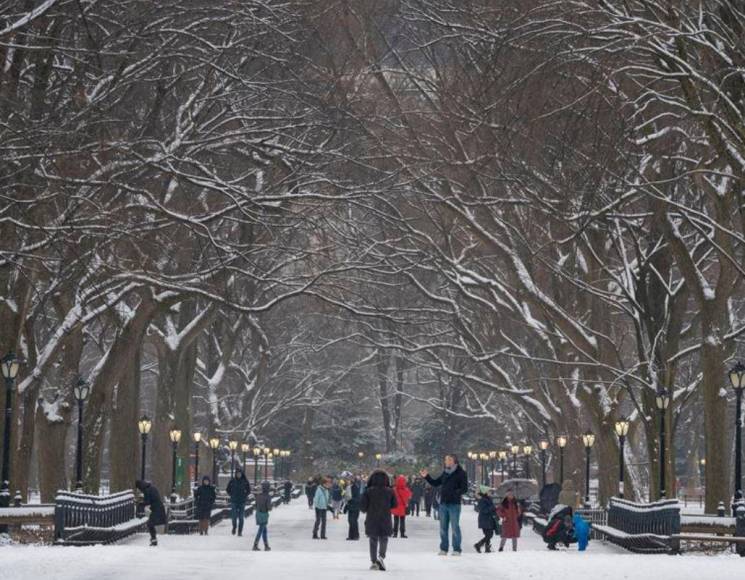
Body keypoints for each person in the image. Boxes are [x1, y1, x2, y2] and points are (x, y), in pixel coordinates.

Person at [420, 454, 468, 555]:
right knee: (443, 528)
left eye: (449, 459)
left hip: (454, 504)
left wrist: (454, 493)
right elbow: (436, 483)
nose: (446, 461)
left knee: (455, 527)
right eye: (446, 459)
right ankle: (444, 548)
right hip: (443, 504)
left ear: (454, 461)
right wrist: (427, 476)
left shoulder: (461, 473)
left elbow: (464, 489)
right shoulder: (445, 473)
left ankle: (456, 549)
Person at [361, 470, 397, 571]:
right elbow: (395, 504)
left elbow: (363, 507)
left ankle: (373, 561)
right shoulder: (390, 491)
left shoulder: (368, 491)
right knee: (384, 538)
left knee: (373, 539)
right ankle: (381, 557)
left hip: (372, 518)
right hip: (385, 517)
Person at [135, 480, 166, 547]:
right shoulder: (152, 487)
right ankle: (153, 539)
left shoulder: (146, 490)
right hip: (158, 507)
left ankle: (154, 540)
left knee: (150, 524)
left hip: (157, 509)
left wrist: (139, 503)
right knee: (150, 523)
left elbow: (147, 501)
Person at [226, 468, 251, 536]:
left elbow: (249, 490)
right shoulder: (232, 481)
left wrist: (245, 495)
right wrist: (231, 494)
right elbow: (227, 489)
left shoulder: (245, 481)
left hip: (242, 501)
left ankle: (240, 531)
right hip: (234, 501)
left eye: (240, 473)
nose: (238, 475)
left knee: (241, 517)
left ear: (241, 474)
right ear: (236, 474)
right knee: (234, 516)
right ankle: (234, 527)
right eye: (237, 473)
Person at [474, 486, 498, 553]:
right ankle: (478, 545)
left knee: (489, 534)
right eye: (489, 491)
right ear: (485, 492)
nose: (490, 492)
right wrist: (492, 507)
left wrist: (495, 509)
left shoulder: (488, 499)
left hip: (489, 520)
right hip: (484, 520)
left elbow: (491, 509)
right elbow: (484, 510)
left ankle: (487, 548)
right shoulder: (482, 500)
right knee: (489, 534)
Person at [253, 481, 273, 551]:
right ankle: (255, 544)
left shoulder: (258, 496)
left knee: (264, 530)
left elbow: (255, 505)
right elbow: (269, 508)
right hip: (264, 514)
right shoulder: (268, 496)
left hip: (258, 513)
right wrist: (271, 505)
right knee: (261, 530)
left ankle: (266, 545)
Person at [344, 476, 361, 540]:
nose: (347, 481)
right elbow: (347, 498)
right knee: (350, 521)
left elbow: (357, 499)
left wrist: (351, 499)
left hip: (355, 507)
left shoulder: (355, 487)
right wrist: (346, 506)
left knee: (353, 521)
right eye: (347, 479)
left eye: (349, 480)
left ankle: (356, 535)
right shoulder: (348, 487)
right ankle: (351, 536)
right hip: (351, 507)